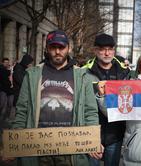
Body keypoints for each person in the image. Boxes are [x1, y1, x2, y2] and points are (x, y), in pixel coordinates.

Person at [10, 30, 99, 166]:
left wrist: (93, 140)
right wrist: (15, 143)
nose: (57, 51)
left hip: (70, 148)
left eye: (61, 47)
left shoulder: (82, 77)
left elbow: (90, 111)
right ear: (47, 49)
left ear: (68, 48)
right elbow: (22, 110)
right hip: (38, 146)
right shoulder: (32, 75)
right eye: (53, 47)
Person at [84, 33, 130, 166]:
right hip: (91, 133)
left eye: (110, 49)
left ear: (114, 51)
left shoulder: (125, 73)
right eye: (102, 49)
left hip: (115, 135)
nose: (107, 53)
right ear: (95, 50)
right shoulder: (83, 73)